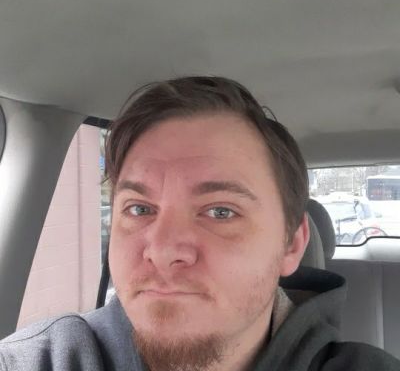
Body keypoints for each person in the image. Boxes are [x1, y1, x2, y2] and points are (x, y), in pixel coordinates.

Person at [1, 76, 399, 371]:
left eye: (220, 211)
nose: (162, 251)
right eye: (139, 209)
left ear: (292, 244)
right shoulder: (41, 360)